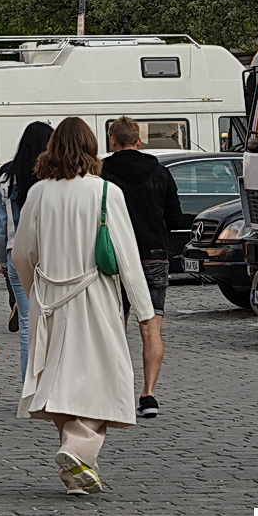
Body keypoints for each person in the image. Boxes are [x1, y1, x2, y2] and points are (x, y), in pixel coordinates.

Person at [10, 117, 157, 495]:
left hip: (49, 299)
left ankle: (76, 473)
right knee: (106, 382)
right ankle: (77, 449)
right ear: (92, 148)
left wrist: (34, 293)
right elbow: (127, 256)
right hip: (95, 298)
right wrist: (145, 312)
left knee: (60, 385)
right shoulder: (105, 192)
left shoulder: (39, 192)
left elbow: (22, 253)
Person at [99, 117, 179, 419]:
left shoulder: (102, 172)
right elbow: (174, 217)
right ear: (139, 140)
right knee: (151, 325)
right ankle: (148, 395)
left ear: (112, 140)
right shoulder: (160, 172)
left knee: (113, 326)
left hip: (114, 257)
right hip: (153, 255)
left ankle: (112, 392)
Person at [0, 122, 52, 376]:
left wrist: (3, 259)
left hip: (18, 255)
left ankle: (29, 387)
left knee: (27, 322)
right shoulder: (56, 176)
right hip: (52, 255)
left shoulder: (7, 175)